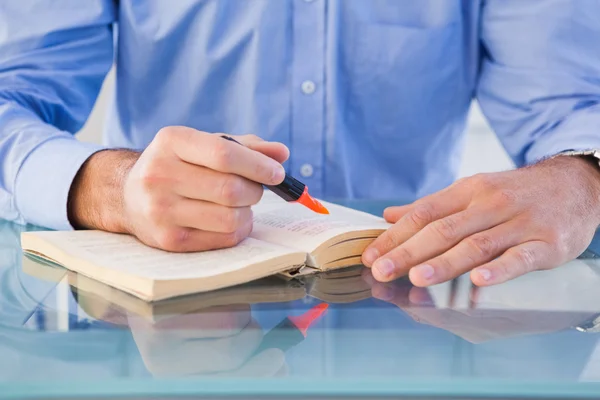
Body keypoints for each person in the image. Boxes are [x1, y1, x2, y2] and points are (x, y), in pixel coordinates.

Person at [0, 0, 599, 288]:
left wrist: (582, 175)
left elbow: (569, 106)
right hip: (161, 316)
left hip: (401, 306)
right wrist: (109, 189)